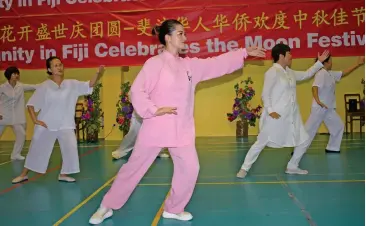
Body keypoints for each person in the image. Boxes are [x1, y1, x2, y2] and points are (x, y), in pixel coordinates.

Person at [89, 19, 266, 224]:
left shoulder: (189, 65)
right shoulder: (154, 64)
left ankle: (174, 208)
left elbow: (215, 64)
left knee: (190, 168)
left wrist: (242, 53)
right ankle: (106, 206)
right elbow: (136, 91)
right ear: (168, 37)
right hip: (156, 127)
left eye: (184, 33)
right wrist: (154, 110)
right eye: (180, 33)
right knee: (133, 168)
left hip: (181, 130)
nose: (185, 37)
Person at [236, 43, 330, 179]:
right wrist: (270, 110)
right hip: (275, 116)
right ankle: (244, 168)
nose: (291, 56)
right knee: (261, 142)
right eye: (289, 53)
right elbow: (265, 94)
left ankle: (292, 166)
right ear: (281, 56)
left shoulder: (290, 72)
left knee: (304, 140)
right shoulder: (272, 72)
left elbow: (306, 74)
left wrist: (319, 63)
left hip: (292, 116)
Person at [11, 56, 105, 184]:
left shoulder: (71, 84)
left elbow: (90, 84)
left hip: (66, 124)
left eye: (60, 64)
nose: (60, 67)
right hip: (46, 124)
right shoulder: (45, 86)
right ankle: (24, 174)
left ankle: (64, 174)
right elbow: (31, 105)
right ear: (49, 69)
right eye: (56, 65)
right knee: (36, 149)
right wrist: (35, 121)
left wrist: (98, 73)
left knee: (70, 149)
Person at [290, 55, 364, 158]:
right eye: (330, 61)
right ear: (325, 63)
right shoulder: (321, 74)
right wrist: (318, 100)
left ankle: (332, 147)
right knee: (310, 129)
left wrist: (357, 64)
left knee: (338, 126)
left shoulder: (330, 73)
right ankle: (298, 150)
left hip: (328, 108)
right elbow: (315, 87)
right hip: (319, 108)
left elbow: (343, 73)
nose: (331, 63)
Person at [0, 66, 38, 160]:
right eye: (14, 74)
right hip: (3, 116)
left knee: (21, 134)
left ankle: (15, 154)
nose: (16, 75)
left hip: (16, 117)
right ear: (9, 75)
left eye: (17, 73)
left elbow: (34, 86)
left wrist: (47, 85)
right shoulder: (2, 88)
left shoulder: (21, 86)